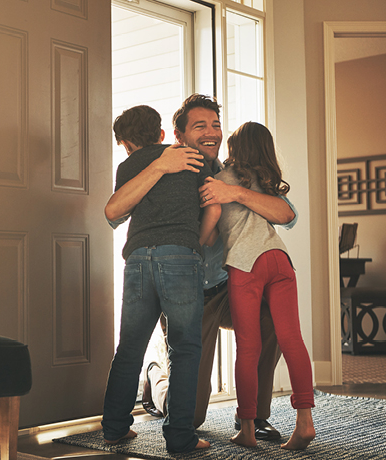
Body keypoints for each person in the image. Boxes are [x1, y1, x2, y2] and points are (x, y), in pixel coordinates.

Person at [105, 94, 298, 441]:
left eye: (215, 125)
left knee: (270, 319)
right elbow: (115, 214)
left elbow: (287, 215)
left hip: (225, 288)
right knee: (189, 409)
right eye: (200, 126)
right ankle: (156, 379)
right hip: (188, 287)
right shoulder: (171, 166)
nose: (211, 132)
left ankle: (252, 416)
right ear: (177, 137)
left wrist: (233, 193)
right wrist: (162, 167)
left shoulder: (234, 173)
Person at [101, 105, 219, 453]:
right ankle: (180, 437)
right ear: (164, 134)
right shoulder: (192, 158)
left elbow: (117, 212)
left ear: (124, 143)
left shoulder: (127, 167)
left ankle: (114, 427)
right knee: (184, 349)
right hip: (180, 256)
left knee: (129, 348)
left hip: (137, 258)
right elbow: (213, 206)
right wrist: (192, 246)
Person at [202, 121, 315, 450]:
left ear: (235, 149)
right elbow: (287, 218)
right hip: (279, 258)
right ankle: (305, 423)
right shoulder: (265, 182)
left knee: (248, 347)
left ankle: (247, 427)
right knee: (292, 339)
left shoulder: (221, 180)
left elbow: (209, 231)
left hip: (245, 263)